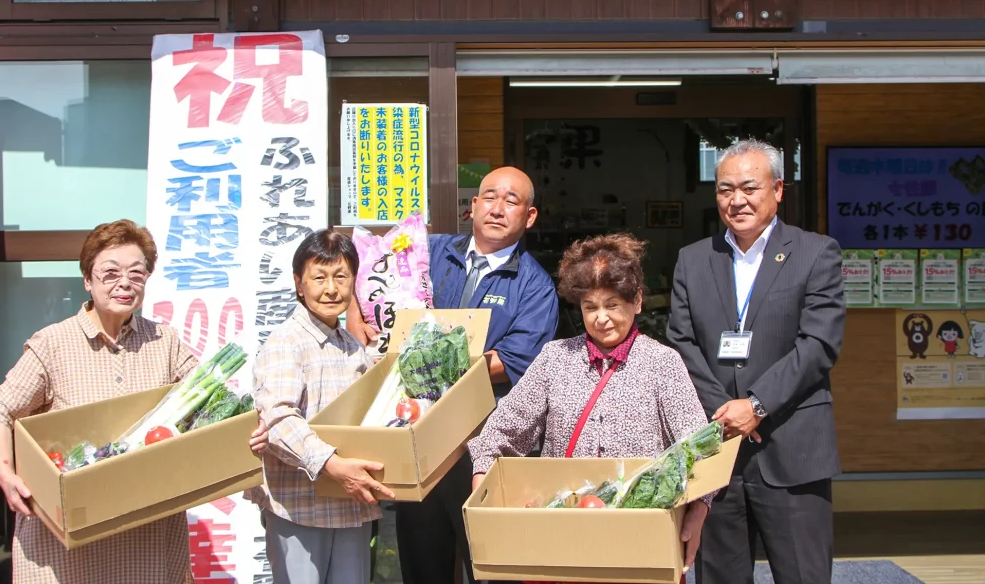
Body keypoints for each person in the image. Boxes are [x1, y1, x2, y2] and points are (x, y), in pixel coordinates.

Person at [0, 219, 269, 584]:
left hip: (147, 535)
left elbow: (211, 410)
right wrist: (5, 475)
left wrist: (245, 432)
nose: (124, 283)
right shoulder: (53, 344)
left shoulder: (165, 342)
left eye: (137, 273)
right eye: (110, 273)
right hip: (68, 545)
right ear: (87, 279)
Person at [346, 166, 559, 584]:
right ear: (473, 206)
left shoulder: (535, 285)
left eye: (511, 201)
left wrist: (434, 365)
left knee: (488, 564)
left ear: (530, 217)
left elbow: (515, 362)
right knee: (422, 561)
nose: (498, 208)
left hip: (480, 445)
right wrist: (357, 314)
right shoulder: (428, 251)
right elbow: (367, 277)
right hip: (414, 438)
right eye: (490, 197)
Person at [467, 233, 712, 581]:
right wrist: (485, 487)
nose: (601, 318)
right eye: (590, 307)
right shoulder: (555, 359)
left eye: (612, 305)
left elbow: (698, 446)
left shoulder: (663, 363)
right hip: (560, 539)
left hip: (641, 539)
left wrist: (699, 510)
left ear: (637, 301)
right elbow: (500, 432)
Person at [667, 139, 846, 584]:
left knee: (803, 575)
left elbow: (819, 344)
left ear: (778, 189)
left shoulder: (815, 253)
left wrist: (757, 404)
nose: (737, 200)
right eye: (725, 189)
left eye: (749, 187)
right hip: (717, 452)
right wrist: (728, 412)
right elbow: (680, 344)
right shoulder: (693, 260)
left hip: (793, 449)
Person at [252, 229, 396, 584]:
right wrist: (332, 465)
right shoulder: (287, 342)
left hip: (351, 506)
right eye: (319, 277)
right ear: (299, 284)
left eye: (341, 277)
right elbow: (278, 419)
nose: (331, 289)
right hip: (300, 507)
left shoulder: (351, 345)